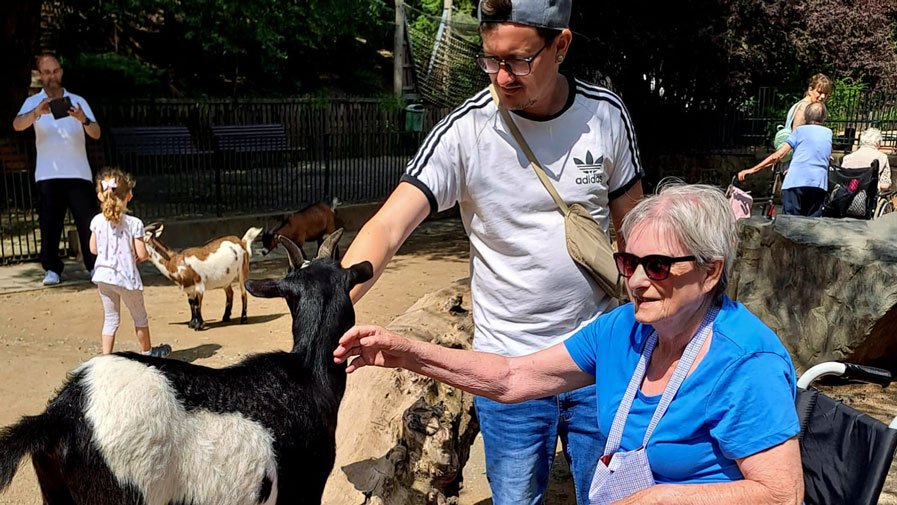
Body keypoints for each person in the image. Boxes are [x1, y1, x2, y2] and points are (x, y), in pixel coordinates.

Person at [339, 1, 644, 503]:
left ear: (561, 45)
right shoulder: (466, 131)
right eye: (490, 59)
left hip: (598, 360)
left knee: (611, 496)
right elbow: (390, 226)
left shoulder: (604, 116)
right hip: (507, 368)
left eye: (519, 61)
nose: (502, 77)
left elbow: (634, 232)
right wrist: (335, 296)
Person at [335, 183, 803, 505]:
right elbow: (514, 377)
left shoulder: (746, 363)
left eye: (657, 266)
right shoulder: (624, 329)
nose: (637, 282)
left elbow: (782, 495)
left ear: (711, 271)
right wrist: (408, 353)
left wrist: (661, 498)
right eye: (628, 262)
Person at [12, 53, 101, 286]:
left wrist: (83, 119)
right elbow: (17, 125)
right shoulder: (34, 102)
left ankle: (94, 266)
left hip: (78, 173)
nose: (52, 76)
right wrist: (36, 113)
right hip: (47, 175)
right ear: (40, 75)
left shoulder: (77, 100)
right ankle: (52, 269)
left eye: (56, 71)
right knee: (50, 224)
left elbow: (96, 133)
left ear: (61, 72)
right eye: (47, 72)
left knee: (87, 223)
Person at [89, 167, 171, 358]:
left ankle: (106, 357)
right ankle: (147, 353)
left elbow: (93, 249)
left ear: (101, 196)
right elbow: (142, 254)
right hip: (126, 278)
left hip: (103, 276)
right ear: (129, 195)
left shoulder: (96, 221)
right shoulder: (134, 223)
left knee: (110, 319)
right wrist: (134, 257)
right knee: (139, 317)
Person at [739, 101, 832, 216]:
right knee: (811, 227)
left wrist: (752, 170)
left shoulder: (799, 131)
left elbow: (778, 155)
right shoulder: (828, 133)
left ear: (807, 115)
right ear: (824, 118)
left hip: (795, 183)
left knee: (789, 226)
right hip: (818, 185)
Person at [842, 127, 891, 192]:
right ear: (878, 142)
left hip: (847, 194)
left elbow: (842, 179)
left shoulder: (847, 158)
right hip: (868, 196)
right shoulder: (882, 157)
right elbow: (885, 185)